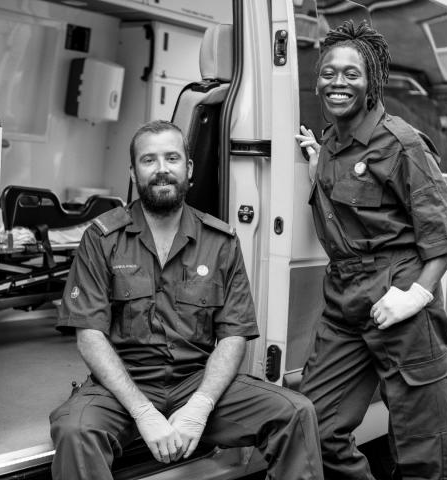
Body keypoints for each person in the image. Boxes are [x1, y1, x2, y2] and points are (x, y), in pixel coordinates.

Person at [50, 120, 323, 480]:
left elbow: (233, 335)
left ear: (188, 169)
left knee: (296, 411)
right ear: (133, 172)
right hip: (122, 385)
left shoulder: (221, 241)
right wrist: (143, 412)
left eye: (172, 158)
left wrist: (201, 406)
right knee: (75, 430)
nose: (162, 169)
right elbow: (89, 334)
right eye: (149, 160)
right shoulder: (101, 238)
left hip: (196, 381)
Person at [296, 20, 447, 480]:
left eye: (351, 73)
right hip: (344, 304)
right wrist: (314, 161)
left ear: (372, 82)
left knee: (422, 451)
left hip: (399, 300)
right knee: (314, 429)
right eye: (328, 72)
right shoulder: (329, 142)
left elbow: (443, 236)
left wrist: (416, 297)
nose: (337, 82)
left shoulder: (402, 143)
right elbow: (348, 194)